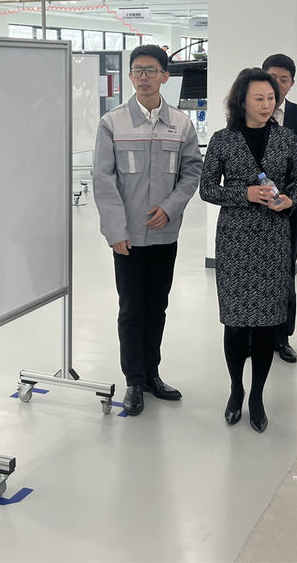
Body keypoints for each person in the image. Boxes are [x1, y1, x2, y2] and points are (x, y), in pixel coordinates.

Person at [93, 44, 202, 417]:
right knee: (131, 309)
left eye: (151, 70)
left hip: (164, 235)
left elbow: (192, 171)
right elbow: (103, 180)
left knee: (157, 306)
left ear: (165, 76)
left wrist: (170, 209)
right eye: (137, 70)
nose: (143, 77)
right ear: (130, 76)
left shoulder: (181, 124)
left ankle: (152, 374)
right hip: (128, 238)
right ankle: (134, 381)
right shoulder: (113, 123)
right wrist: (115, 231)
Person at [200, 68, 297, 433]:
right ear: (241, 101)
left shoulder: (286, 137)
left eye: (271, 98)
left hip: (273, 239)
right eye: (258, 98)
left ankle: (257, 395)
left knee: (265, 325)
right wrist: (243, 194)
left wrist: (289, 200)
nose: (266, 105)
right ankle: (236, 389)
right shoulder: (223, 139)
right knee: (235, 323)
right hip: (235, 240)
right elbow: (207, 188)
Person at [262, 53, 297, 364]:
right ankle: (255, 332)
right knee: (256, 269)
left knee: (284, 269)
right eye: (272, 77)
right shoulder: (247, 113)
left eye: (283, 79)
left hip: (290, 205)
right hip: (254, 205)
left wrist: (286, 193)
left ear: (292, 83)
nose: (277, 84)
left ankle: (282, 337)